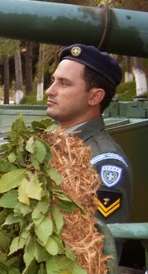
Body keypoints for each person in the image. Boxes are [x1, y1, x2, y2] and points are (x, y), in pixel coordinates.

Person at [46, 44, 132, 223]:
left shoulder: (103, 162)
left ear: (94, 97)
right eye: (52, 81)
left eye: (63, 83)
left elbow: (98, 245)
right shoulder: (48, 141)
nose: (50, 91)